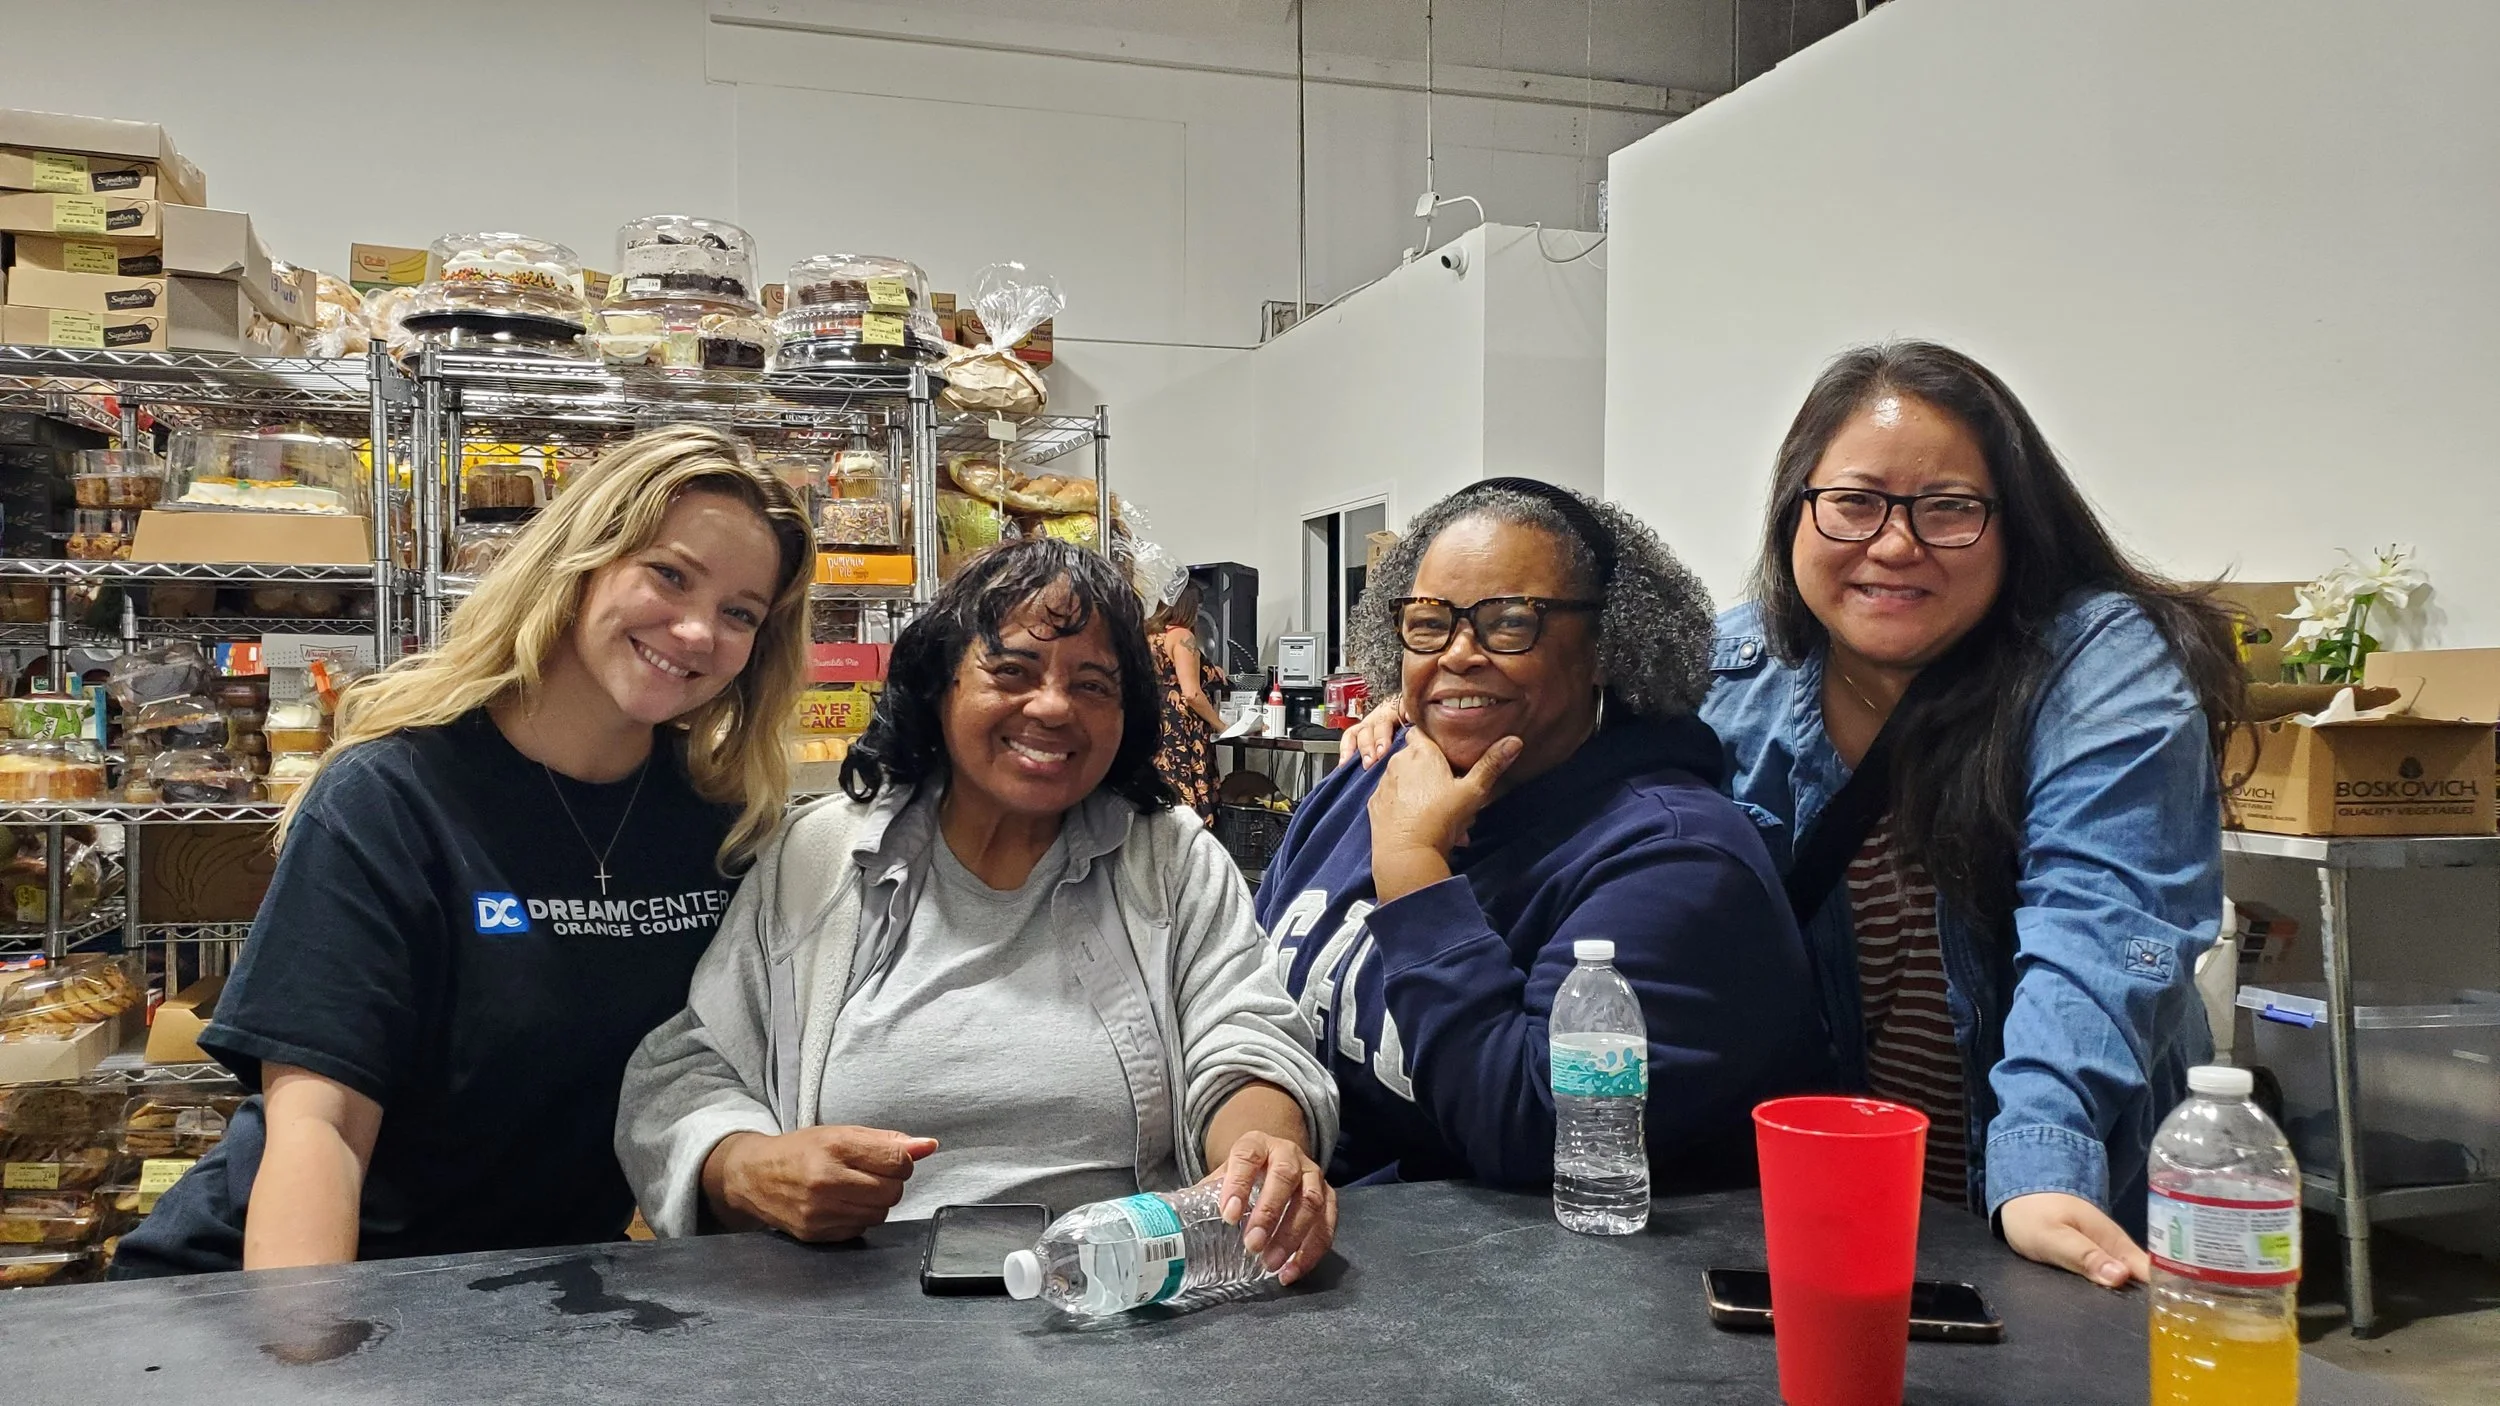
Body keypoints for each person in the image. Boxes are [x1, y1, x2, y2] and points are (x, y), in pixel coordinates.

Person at [1345, 345, 2242, 1290]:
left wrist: (2041, 1165)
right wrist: (1423, 704)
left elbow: (2100, 927)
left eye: (1949, 509)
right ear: (1794, 512)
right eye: (1854, 503)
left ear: (2014, 523)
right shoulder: (1734, 661)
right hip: (1817, 1195)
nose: (1895, 545)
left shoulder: (2099, 667)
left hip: (2047, 1202)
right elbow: (1564, 717)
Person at [113, 426, 814, 1276]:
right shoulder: (395, 796)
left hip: (533, 1295)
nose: (699, 631)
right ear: (581, 562)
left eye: (740, 613)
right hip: (292, 1289)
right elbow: (319, 1129)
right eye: (669, 574)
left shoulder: (722, 827)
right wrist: (300, 1361)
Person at [618, 537, 1342, 1285]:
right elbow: (689, 1070)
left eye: (1095, 685)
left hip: (1121, 1300)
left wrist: (1262, 1154)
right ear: (940, 686)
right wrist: (747, 1167)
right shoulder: (819, 857)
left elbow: (1245, 1035)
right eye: (1011, 671)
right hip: (849, 1313)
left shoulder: (1168, 858)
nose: (1055, 706)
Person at [1260, 477, 1829, 1192]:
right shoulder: (1369, 780)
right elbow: (1247, 1004)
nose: (1459, 654)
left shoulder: (1679, 862)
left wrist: (1413, 869)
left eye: (1508, 621)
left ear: (1605, 647)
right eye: (1430, 623)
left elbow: (1543, 1137)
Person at [1146, 580, 1224, 823]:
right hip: (1181, 731)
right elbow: (1191, 693)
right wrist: (1221, 725)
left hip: (1155, 724)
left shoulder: (1149, 637)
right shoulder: (1182, 637)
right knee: (1186, 803)